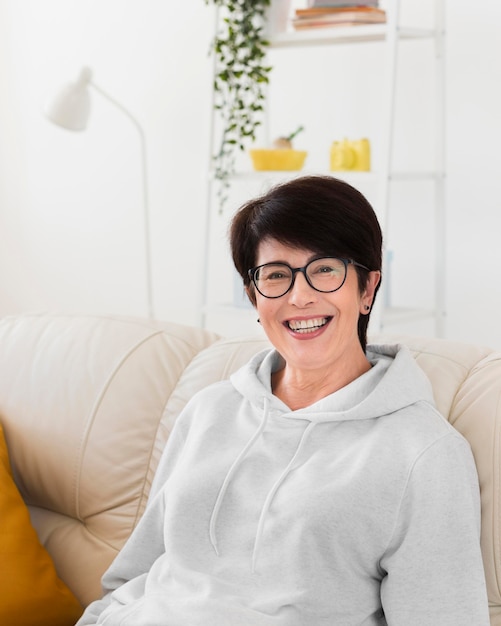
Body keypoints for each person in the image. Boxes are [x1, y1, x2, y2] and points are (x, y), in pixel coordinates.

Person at [77, 175, 489, 625]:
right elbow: (130, 580)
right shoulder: (208, 411)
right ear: (254, 296)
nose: (300, 296)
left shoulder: (425, 454)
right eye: (276, 275)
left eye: (325, 269)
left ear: (367, 289)